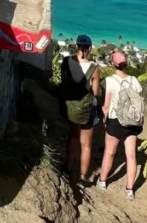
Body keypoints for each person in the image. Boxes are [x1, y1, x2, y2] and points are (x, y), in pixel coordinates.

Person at [96, 50, 145, 199]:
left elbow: (106, 105)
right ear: (126, 64)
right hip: (132, 121)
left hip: (116, 121)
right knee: (131, 156)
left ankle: (102, 180)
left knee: (109, 152)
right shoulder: (134, 80)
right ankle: (130, 189)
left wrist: (104, 119)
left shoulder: (109, 81)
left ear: (112, 64)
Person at [60, 34, 100, 183]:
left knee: (73, 136)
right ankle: (83, 176)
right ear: (89, 48)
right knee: (86, 144)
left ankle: (68, 167)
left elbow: (64, 81)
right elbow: (95, 93)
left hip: (72, 107)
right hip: (87, 108)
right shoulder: (94, 69)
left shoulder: (66, 62)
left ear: (76, 46)